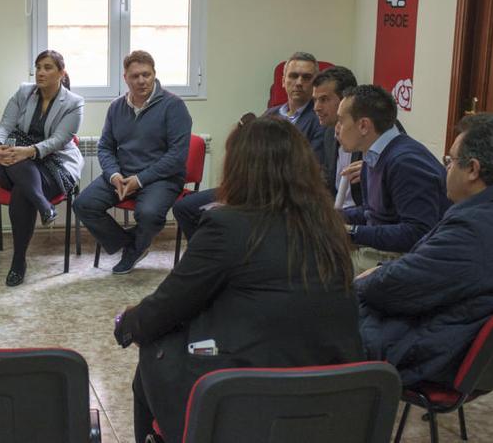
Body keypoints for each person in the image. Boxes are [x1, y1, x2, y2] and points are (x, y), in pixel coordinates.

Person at [114, 116, 363, 442]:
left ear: (239, 169)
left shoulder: (227, 226)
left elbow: (167, 305)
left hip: (250, 398)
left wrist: (127, 324)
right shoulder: (327, 226)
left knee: (155, 352)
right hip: (332, 394)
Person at [356, 113, 493, 386]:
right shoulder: (480, 217)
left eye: (450, 161)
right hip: (451, 337)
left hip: (431, 350)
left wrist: (360, 283)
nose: (446, 168)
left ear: (473, 170)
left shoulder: (473, 228)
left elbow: (399, 287)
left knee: (311, 327)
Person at [172, 51, 324, 241]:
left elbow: (313, 169)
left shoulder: (318, 119)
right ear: (283, 81)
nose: (299, 82)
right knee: (184, 208)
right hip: (249, 186)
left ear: (315, 83)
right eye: (293, 76)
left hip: (281, 194)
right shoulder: (271, 113)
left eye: (307, 77)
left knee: (225, 218)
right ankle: (213, 261)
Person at [74, 50, 191, 274]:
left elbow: (177, 157)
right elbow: (105, 146)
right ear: (125, 78)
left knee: (147, 214)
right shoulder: (116, 107)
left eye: (146, 75)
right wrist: (114, 175)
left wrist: (140, 180)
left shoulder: (173, 106)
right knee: (83, 205)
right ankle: (133, 244)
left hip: (161, 178)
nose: (141, 81)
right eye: (135, 76)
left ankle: (135, 246)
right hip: (123, 175)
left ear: (154, 75)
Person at [0, 50, 83, 286]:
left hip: (54, 163)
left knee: (23, 192)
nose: (41, 72)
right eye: (38, 66)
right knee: (17, 163)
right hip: (13, 164)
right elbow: (5, 124)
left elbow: (58, 141)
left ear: (61, 73)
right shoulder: (24, 92)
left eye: (48, 67)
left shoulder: (73, 103)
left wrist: (29, 151)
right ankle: (44, 206)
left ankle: (18, 262)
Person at [336, 85, 450, 271]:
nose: (337, 129)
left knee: (316, 267)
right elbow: (373, 212)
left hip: (411, 260)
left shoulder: (405, 162)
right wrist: (335, 217)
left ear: (363, 125)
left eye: (341, 121)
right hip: (384, 250)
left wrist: (351, 232)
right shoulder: (374, 154)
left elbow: (417, 232)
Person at [311, 66, 361, 206]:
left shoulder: (371, 128)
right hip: (336, 214)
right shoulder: (328, 133)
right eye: (315, 100)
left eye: (324, 99)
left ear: (346, 100)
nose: (316, 107)